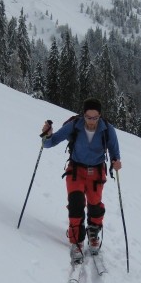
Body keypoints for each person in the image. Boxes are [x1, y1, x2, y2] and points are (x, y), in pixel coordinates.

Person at [42, 98, 122, 264]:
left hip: (96, 173)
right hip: (76, 170)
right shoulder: (74, 125)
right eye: (88, 117)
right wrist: (46, 136)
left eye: (95, 118)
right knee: (76, 204)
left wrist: (116, 162)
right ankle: (77, 240)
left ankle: (93, 235)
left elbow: (115, 151)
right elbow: (50, 143)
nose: (91, 121)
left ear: (100, 116)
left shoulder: (108, 130)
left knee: (95, 206)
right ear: (83, 114)